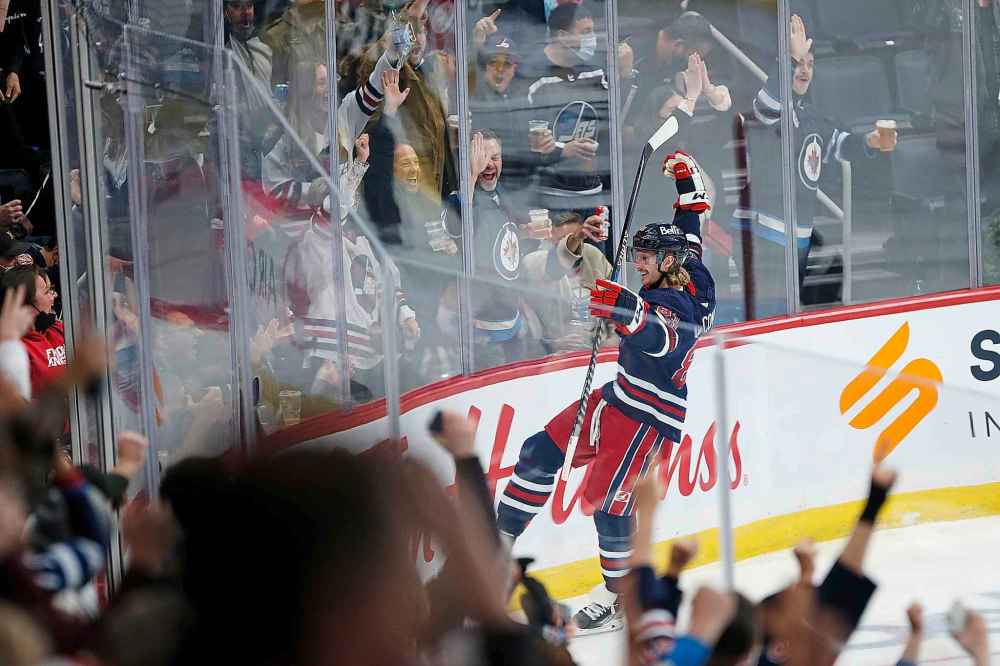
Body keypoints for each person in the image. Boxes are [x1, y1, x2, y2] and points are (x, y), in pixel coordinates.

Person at [496, 151, 716, 631]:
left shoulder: (679, 301)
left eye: (645, 257)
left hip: (647, 417)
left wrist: (627, 313)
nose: (638, 262)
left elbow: (662, 334)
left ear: (666, 262)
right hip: (617, 398)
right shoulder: (688, 267)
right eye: (636, 255)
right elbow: (693, 223)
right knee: (538, 451)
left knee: (609, 504)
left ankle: (622, 598)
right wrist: (687, 188)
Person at [733, 14, 896, 318]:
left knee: (788, 311)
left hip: (797, 232)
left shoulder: (811, 116)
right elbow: (768, 107)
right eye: (798, 64)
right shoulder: (770, 109)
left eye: (809, 64)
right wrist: (789, 59)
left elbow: (838, 144)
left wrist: (870, 142)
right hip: (762, 231)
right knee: (767, 313)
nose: (804, 69)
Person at [443, 129, 543, 369]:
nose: (489, 164)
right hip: (482, 335)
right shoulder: (462, 198)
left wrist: (528, 233)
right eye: (482, 158)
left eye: (495, 157)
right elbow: (458, 220)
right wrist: (470, 174)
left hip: (513, 324)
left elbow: (506, 247)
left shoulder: (502, 195)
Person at [521, 2, 608, 201]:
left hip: (593, 189)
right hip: (551, 193)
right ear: (562, 36)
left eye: (592, 31)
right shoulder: (532, 76)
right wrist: (563, 150)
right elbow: (524, 141)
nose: (592, 39)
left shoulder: (595, 69)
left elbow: (609, 123)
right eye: (585, 32)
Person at [0, 266, 63, 395]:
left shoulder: (57, 328)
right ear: (24, 303)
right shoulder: (12, 348)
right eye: (47, 292)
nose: (53, 297)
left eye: (52, 290)